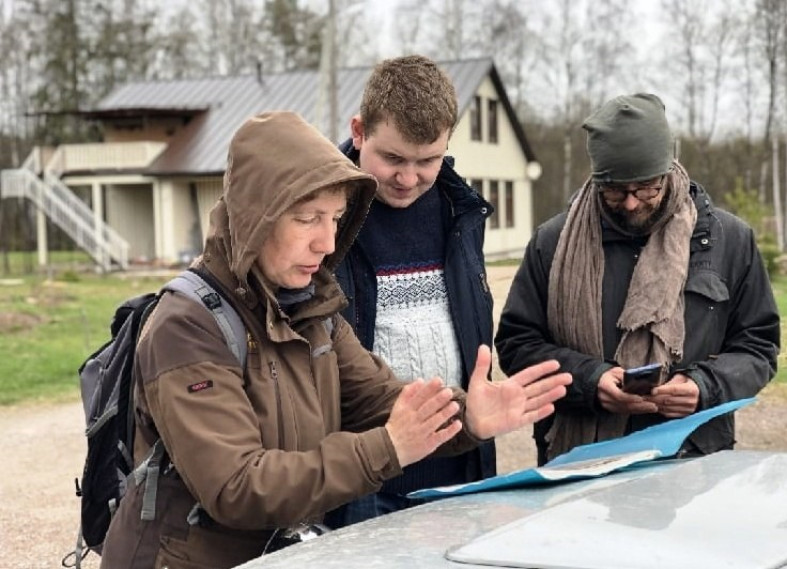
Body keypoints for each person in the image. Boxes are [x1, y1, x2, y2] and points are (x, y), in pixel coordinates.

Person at [98, 111, 571, 569]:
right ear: (254, 217)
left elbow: (380, 400)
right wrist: (389, 448)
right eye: (308, 219)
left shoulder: (311, 309)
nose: (326, 243)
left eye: (336, 219)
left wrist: (467, 417)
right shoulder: (186, 326)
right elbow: (236, 486)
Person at [495, 93, 780, 466]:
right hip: (579, 466)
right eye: (614, 190)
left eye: (646, 188)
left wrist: (705, 386)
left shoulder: (729, 240)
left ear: (668, 169)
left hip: (692, 460)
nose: (630, 203)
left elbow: (758, 346)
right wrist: (590, 381)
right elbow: (517, 345)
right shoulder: (552, 243)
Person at [328, 55, 496, 527]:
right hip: (364, 484)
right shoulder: (323, 214)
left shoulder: (462, 213)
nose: (408, 178)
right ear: (359, 132)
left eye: (427, 161)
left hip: (458, 477)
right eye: (393, 159)